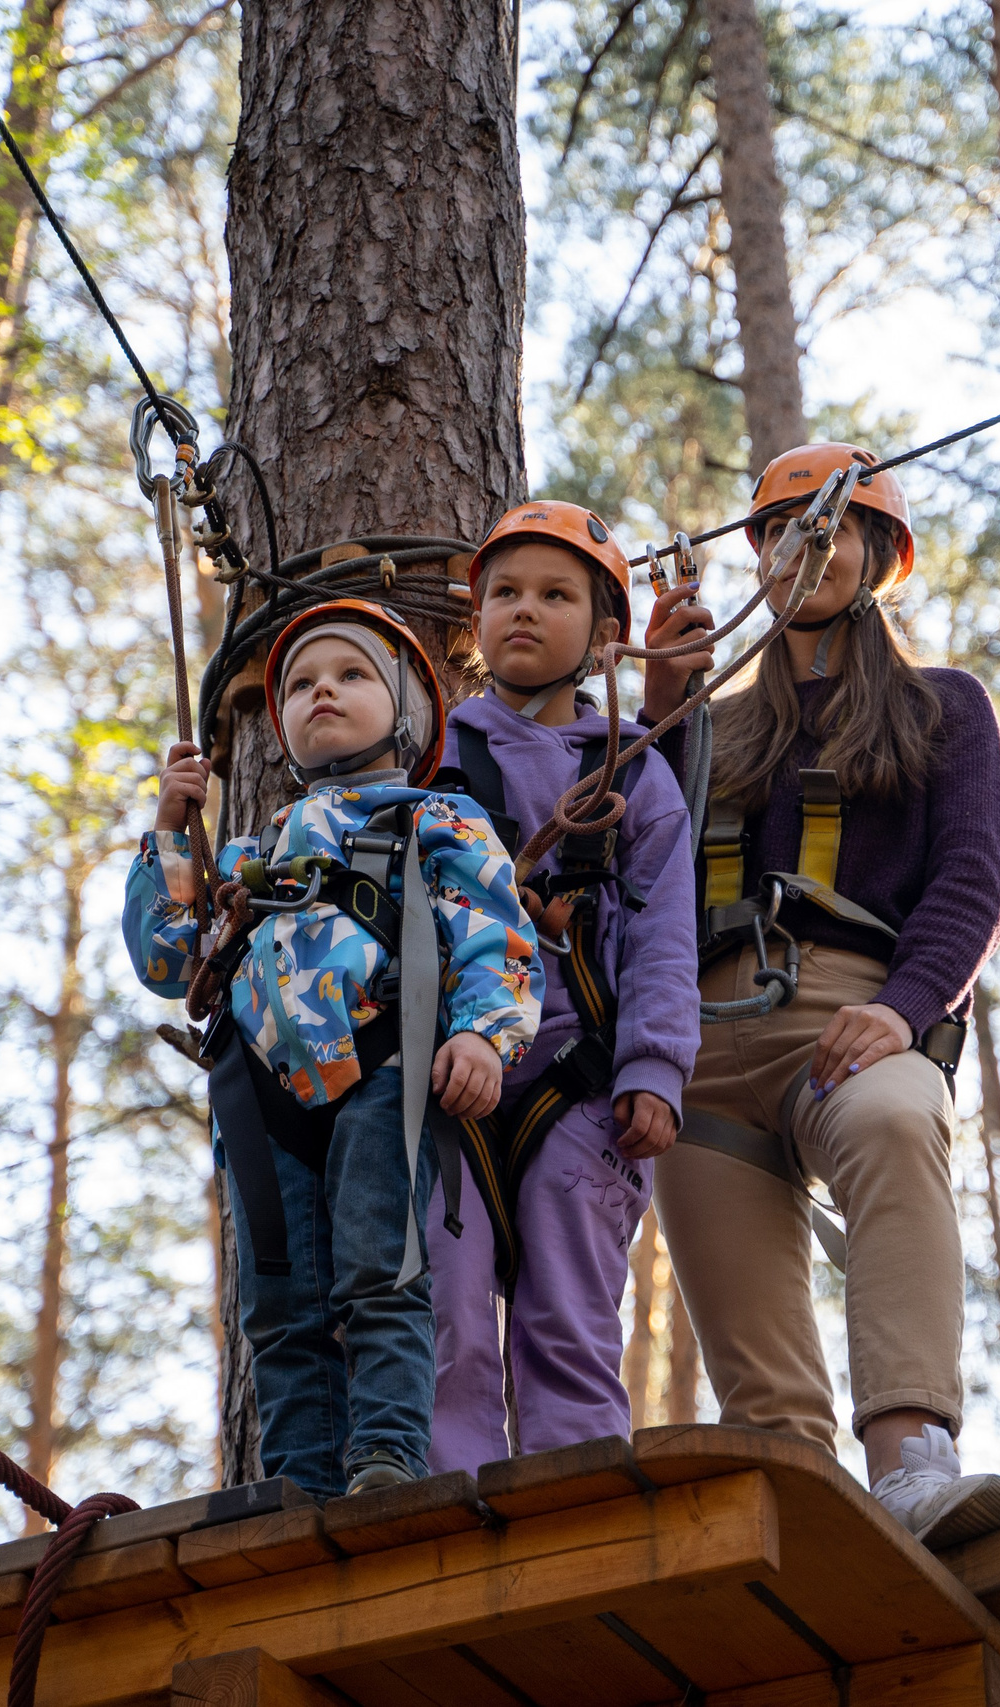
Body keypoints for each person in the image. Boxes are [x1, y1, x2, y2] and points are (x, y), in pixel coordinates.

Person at [640, 444, 1000, 1548]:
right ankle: (807, 1531)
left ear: (878, 555)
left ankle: (911, 1459)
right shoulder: (706, 726)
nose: (803, 549)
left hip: (849, 1010)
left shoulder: (941, 708)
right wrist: (663, 709)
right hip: (698, 1041)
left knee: (901, 1119)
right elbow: (620, 860)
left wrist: (907, 1007)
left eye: (831, 529)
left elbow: (970, 872)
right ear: (754, 556)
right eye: (779, 532)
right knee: (757, 1372)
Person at [127, 599, 543, 1496]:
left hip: (382, 1064)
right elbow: (167, 956)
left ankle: (387, 1456)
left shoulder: (439, 819)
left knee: (380, 1265)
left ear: (408, 710)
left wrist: (481, 1034)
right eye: (304, 684)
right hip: (258, 1096)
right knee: (279, 1305)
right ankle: (300, 1481)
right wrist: (169, 826)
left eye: (352, 675)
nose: (324, 692)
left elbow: (495, 939)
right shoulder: (245, 854)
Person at [427, 501, 698, 1473]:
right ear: (476, 618)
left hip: (580, 1083)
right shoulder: (433, 753)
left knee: (570, 1321)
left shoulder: (632, 773)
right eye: (503, 593)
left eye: (554, 595)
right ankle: (437, 1514)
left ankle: (575, 1513)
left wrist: (655, 1069)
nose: (524, 612)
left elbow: (665, 934)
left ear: (604, 633)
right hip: (444, 1080)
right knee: (442, 1315)